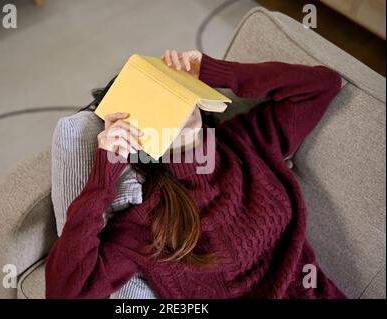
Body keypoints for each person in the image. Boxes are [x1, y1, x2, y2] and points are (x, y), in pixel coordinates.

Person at [45, 49, 346, 298]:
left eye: (177, 89)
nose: (178, 104)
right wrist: (103, 175)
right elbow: (65, 293)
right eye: (156, 102)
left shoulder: (248, 140)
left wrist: (215, 71)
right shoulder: (146, 224)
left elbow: (324, 85)